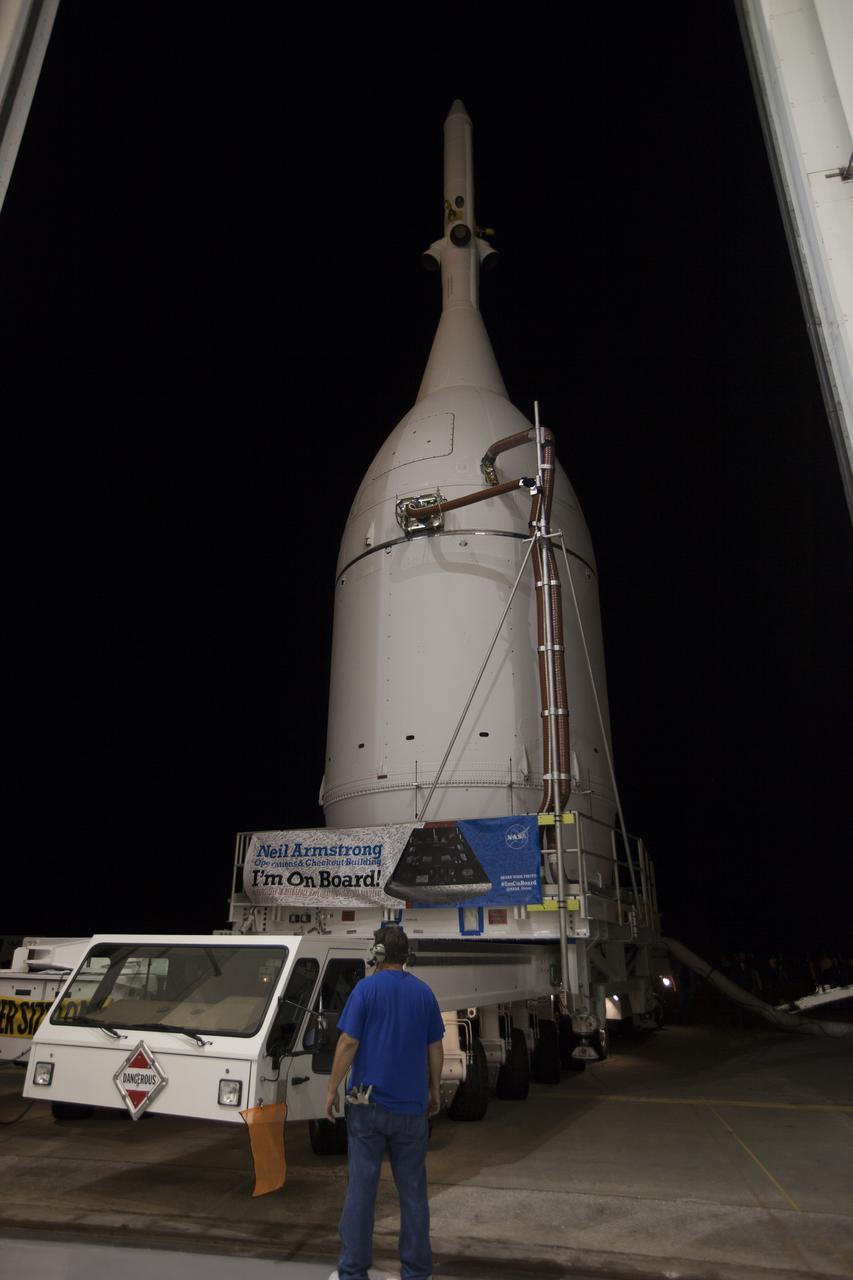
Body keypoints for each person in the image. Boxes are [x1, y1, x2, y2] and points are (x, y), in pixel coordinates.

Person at [325, 925, 445, 1280]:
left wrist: (331, 1088)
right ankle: (417, 1272)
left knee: (362, 1191)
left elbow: (348, 1042)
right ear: (405, 955)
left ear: (377, 953)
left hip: (368, 1109)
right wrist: (435, 1089)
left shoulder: (365, 989)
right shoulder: (424, 993)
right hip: (412, 1111)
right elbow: (435, 1047)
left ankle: (352, 1272)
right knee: (413, 1194)